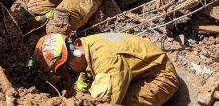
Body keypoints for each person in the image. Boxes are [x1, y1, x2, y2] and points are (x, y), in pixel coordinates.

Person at [33, 32, 179, 105]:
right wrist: (78, 93)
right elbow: (85, 73)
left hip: (161, 77)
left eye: (64, 70)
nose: (67, 74)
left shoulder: (107, 62)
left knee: (124, 102)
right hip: (139, 68)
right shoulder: (84, 47)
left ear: (72, 57)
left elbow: (103, 103)